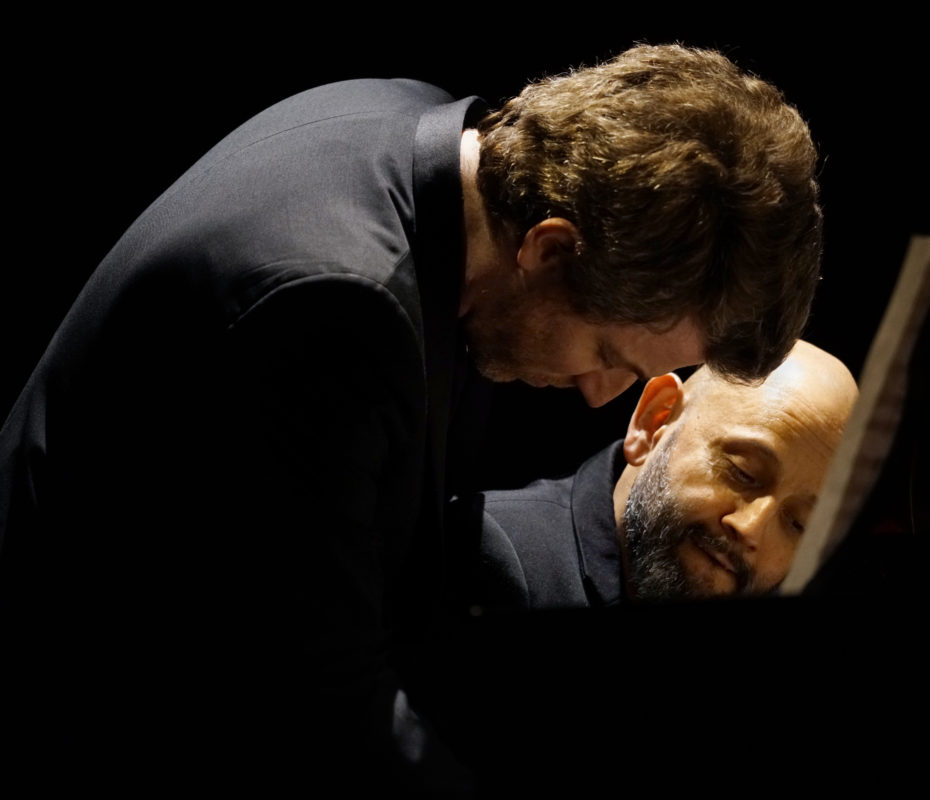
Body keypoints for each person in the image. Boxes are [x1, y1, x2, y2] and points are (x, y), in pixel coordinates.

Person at [0, 45, 822, 790]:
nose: (600, 395)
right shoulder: (335, 313)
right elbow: (322, 713)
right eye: (611, 353)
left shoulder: (406, 123)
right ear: (549, 248)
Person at [453, 339, 859, 610]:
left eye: (798, 523)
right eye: (743, 473)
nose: (751, 528)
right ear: (654, 421)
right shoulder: (488, 556)